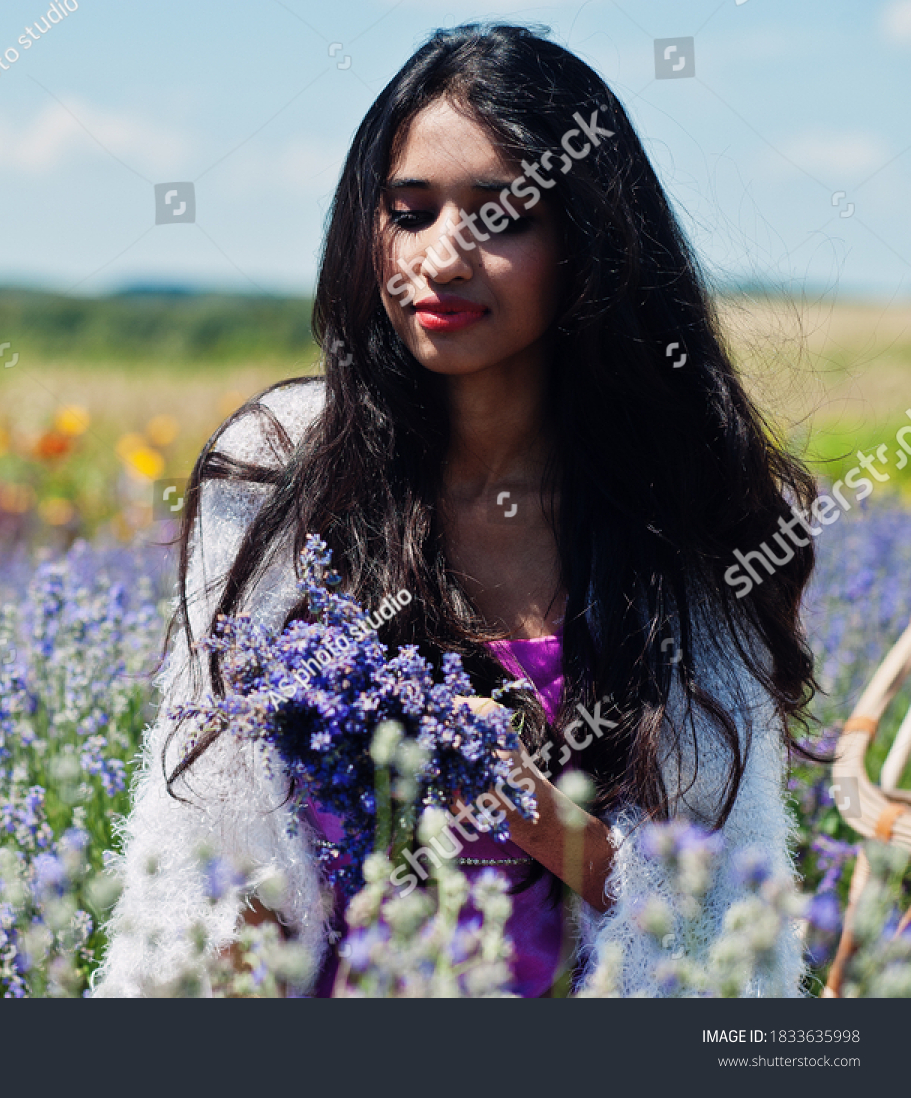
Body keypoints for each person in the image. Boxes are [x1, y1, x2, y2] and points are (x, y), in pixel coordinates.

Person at [92, 23, 815, 997]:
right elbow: (204, 865)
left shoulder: (674, 517)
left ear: (584, 241)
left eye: (500, 214)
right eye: (410, 210)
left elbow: (723, 929)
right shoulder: (277, 475)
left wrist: (519, 802)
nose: (440, 257)